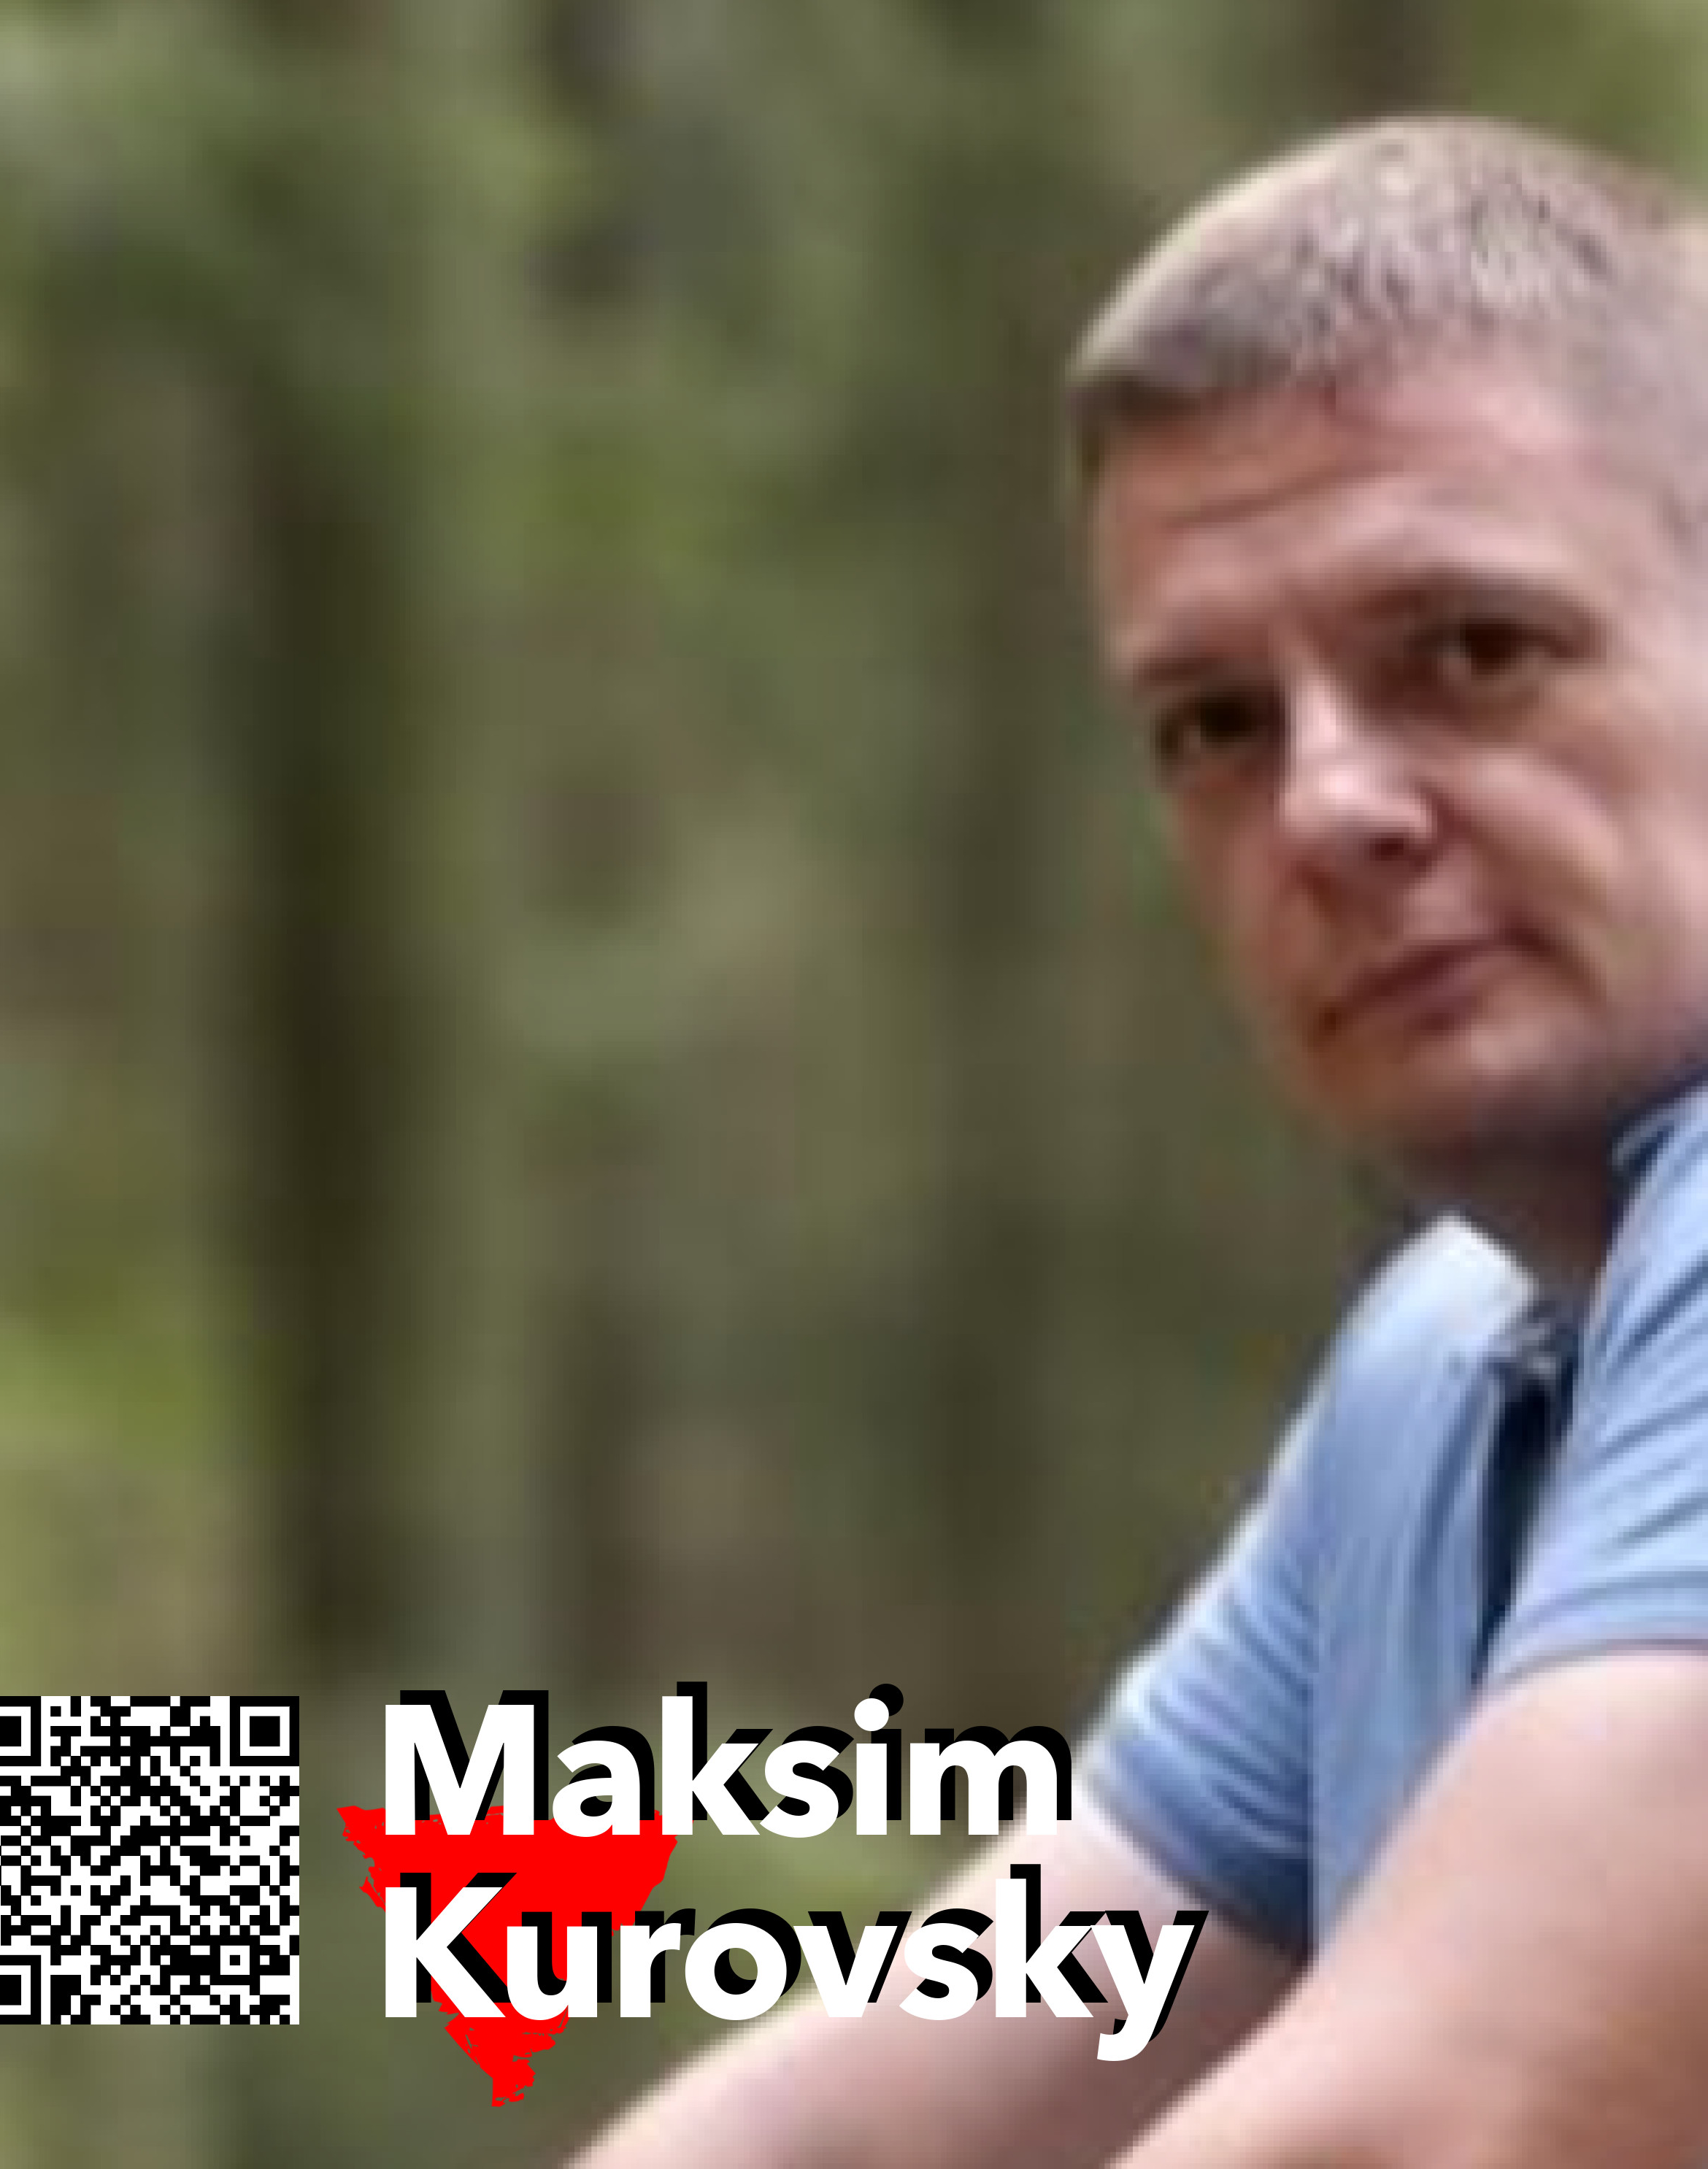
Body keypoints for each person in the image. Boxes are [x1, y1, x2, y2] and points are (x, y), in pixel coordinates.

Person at [572, 115, 1708, 2168]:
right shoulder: (1439, 1366)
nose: (1329, 807)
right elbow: (873, 2110)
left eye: (1471, 651)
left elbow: (1439, 2127)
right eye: (1216, 723)